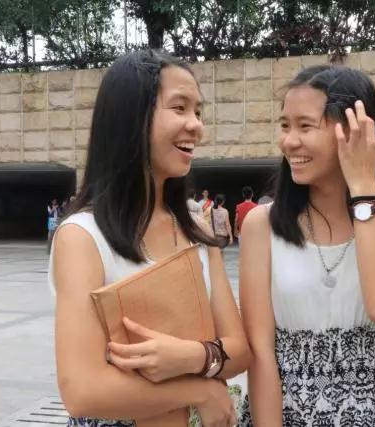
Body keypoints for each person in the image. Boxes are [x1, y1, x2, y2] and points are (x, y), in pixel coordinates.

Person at [48, 50, 250, 427]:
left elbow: (239, 350)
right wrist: (200, 390)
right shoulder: (83, 237)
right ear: (131, 117)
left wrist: (189, 357)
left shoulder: (196, 231)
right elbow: (82, 390)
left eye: (198, 112)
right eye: (180, 108)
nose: (196, 125)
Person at [238, 65, 375, 426]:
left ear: (355, 131)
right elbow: (260, 352)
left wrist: (363, 185)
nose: (289, 141)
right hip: (281, 413)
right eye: (285, 125)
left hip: (368, 413)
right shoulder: (262, 225)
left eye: (305, 126)